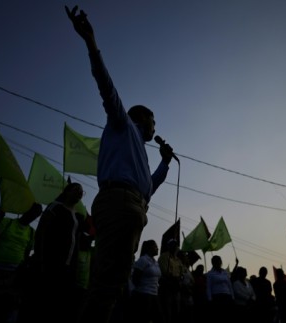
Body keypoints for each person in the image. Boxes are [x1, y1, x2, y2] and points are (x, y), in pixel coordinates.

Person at [65, 5, 175, 323]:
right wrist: (90, 41)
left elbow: (148, 188)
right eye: (153, 121)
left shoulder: (139, 149)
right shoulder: (123, 124)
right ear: (141, 118)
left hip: (135, 206)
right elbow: (106, 86)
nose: (156, 127)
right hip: (119, 203)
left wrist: (164, 164)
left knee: (112, 282)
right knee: (107, 281)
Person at [19, 183, 84, 323]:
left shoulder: (77, 217)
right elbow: (41, 232)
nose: (79, 193)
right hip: (49, 264)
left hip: (66, 269)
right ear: (66, 192)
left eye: (81, 192)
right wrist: (40, 259)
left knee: (56, 308)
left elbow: (75, 244)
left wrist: (75, 268)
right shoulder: (55, 207)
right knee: (39, 304)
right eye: (76, 189)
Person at [129, 240, 163, 323]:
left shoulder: (155, 262)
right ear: (149, 248)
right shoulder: (143, 260)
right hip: (144, 295)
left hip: (154, 294)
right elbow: (135, 278)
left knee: (159, 318)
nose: (157, 248)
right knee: (144, 318)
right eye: (155, 247)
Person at [206, 255, 234, 323]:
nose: (218, 263)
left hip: (227, 296)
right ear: (213, 263)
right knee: (219, 317)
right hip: (217, 297)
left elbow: (229, 285)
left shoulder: (225, 272)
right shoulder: (210, 273)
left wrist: (232, 296)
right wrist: (209, 299)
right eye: (216, 261)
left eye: (219, 261)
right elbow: (208, 287)